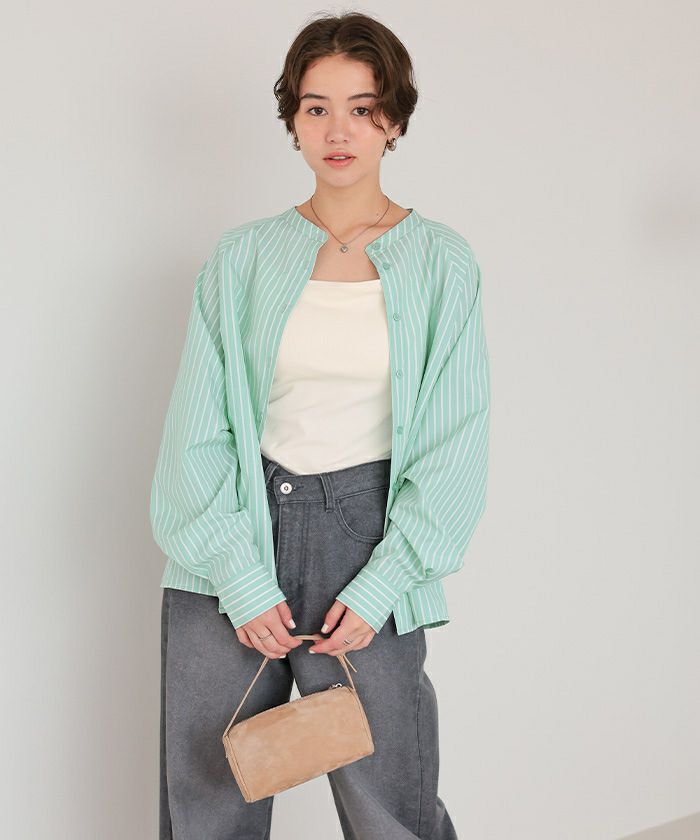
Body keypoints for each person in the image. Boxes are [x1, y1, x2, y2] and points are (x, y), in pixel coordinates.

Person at [151, 11, 490, 839]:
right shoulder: (241, 258)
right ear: (293, 120)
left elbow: (455, 446)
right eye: (316, 108)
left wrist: (382, 584)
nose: (339, 130)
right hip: (234, 531)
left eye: (362, 108)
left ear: (394, 120)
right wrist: (239, 576)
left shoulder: (441, 262)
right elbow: (194, 434)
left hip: (370, 539)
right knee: (210, 801)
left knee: (391, 804)